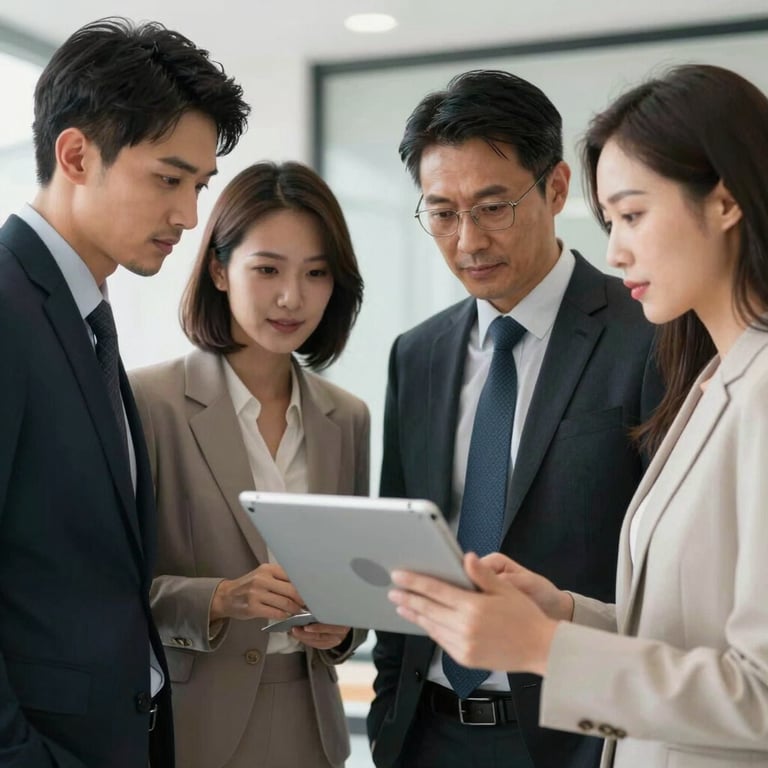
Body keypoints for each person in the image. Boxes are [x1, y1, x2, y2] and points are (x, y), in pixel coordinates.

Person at [388, 64, 768, 768]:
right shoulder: (720, 377)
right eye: (442, 212)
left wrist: (543, 647)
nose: (616, 249)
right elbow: (681, 627)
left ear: (724, 204)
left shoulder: (733, 380)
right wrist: (560, 612)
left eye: (632, 215)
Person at [367, 69, 664, 768]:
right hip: (427, 734)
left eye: (493, 207)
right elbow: (401, 550)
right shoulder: (418, 355)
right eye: (441, 211)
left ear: (557, 188)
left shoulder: (649, 333)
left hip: (578, 737)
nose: (467, 240)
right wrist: (389, 721)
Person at [0, 17, 249, 768]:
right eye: (168, 179)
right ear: (76, 154)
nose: (188, 216)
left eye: (198, 186)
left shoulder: (85, 318)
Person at [129, 160, 369, 768]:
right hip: (192, 727)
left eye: (316, 273)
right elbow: (110, 591)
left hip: (313, 728)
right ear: (218, 268)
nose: (292, 297)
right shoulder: (148, 402)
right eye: (267, 269)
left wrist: (342, 630)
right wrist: (222, 599)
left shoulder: (348, 418)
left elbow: (355, 588)